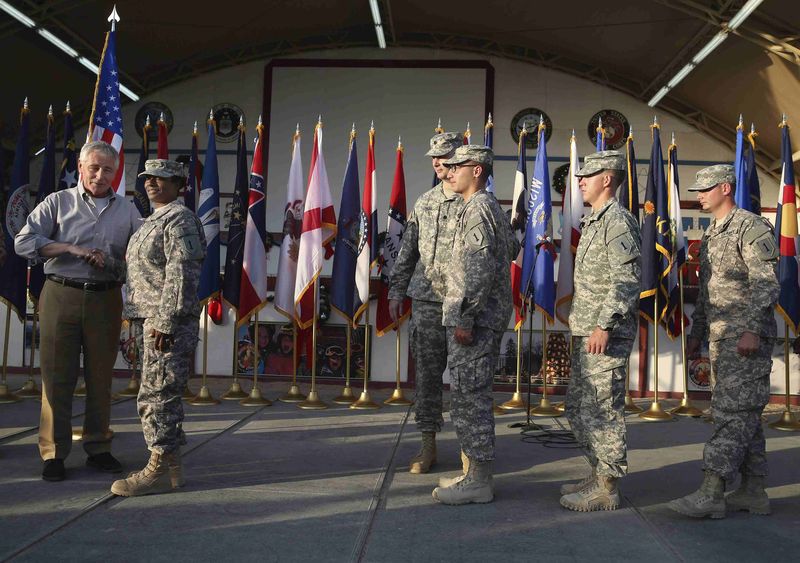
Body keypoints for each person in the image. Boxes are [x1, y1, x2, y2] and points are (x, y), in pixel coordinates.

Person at [15, 141, 140, 481]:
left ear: (116, 173)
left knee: (100, 376)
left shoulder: (128, 211)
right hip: (61, 293)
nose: (100, 176)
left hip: (105, 298)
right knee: (57, 376)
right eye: (94, 168)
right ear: (81, 168)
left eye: (108, 170)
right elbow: (23, 241)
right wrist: (70, 248)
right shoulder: (57, 202)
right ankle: (53, 452)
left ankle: (98, 447)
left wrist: (109, 262)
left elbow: (139, 259)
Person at [669, 164, 779, 518]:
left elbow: (766, 283)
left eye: (705, 188)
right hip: (720, 337)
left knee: (731, 415)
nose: (698, 195)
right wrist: (696, 334)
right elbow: (706, 294)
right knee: (744, 414)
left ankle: (712, 491)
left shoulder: (751, 227)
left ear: (726, 188)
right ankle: (753, 490)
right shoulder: (714, 233)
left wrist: (749, 329)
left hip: (744, 338)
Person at [110, 159, 206, 497]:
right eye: (148, 178)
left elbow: (182, 275)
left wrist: (165, 322)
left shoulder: (179, 219)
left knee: (157, 395)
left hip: (167, 324)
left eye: (162, 179)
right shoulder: (151, 221)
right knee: (159, 392)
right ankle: (173, 466)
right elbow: (144, 272)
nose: (152, 183)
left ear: (179, 184)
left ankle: (158, 468)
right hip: (150, 320)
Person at [431, 145, 516, 505]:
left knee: (471, 399)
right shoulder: (486, 206)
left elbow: (476, 271)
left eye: (456, 167)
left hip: (475, 322)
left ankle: (479, 480)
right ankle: (472, 473)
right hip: (479, 317)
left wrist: (465, 317)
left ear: (477, 170)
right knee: (467, 395)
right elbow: (511, 246)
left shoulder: (479, 209)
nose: (449, 173)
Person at [560, 150, 641, 512]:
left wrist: (603, 324)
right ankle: (598, 472)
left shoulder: (618, 222)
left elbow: (626, 279)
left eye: (587, 176)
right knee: (579, 408)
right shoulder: (595, 220)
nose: (580, 181)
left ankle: (607, 487)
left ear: (607, 179)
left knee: (603, 409)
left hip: (604, 334)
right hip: (586, 330)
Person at [388, 131, 464, 475]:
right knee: (428, 378)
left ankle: (469, 450)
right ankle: (428, 445)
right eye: (434, 157)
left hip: (464, 305)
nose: (437, 163)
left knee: (466, 379)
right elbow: (407, 252)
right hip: (426, 302)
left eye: (444, 156)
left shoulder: (475, 201)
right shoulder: (425, 202)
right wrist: (395, 291)